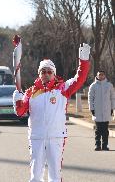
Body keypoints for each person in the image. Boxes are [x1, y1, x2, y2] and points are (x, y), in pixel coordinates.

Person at [13, 44, 90, 182]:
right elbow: (20, 112)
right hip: (37, 137)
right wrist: (17, 100)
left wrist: (83, 62)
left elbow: (80, 78)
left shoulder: (63, 88)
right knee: (35, 175)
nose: (46, 74)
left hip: (56, 137)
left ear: (54, 74)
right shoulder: (31, 92)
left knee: (55, 175)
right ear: (39, 74)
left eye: (49, 71)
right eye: (43, 71)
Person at [88, 70, 115, 151]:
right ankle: (97, 145)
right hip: (97, 111)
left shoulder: (109, 85)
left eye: (102, 74)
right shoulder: (93, 86)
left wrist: (112, 108)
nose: (101, 76)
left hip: (107, 111)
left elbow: (112, 98)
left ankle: (105, 145)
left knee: (105, 130)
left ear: (105, 75)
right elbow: (90, 98)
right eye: (99, 74)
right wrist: (92, 109)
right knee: (98, 130)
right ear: (97, 75)